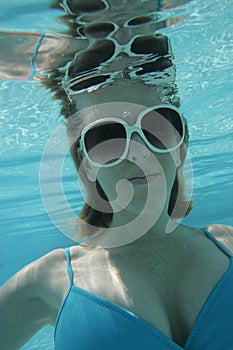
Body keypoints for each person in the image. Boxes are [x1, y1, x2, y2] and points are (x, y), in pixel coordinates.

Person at [1, 1, 233, 349]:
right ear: (86, 164)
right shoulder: (45, 282)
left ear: (181, 146)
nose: (140, 152)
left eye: (157, 126)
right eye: (107, 136)